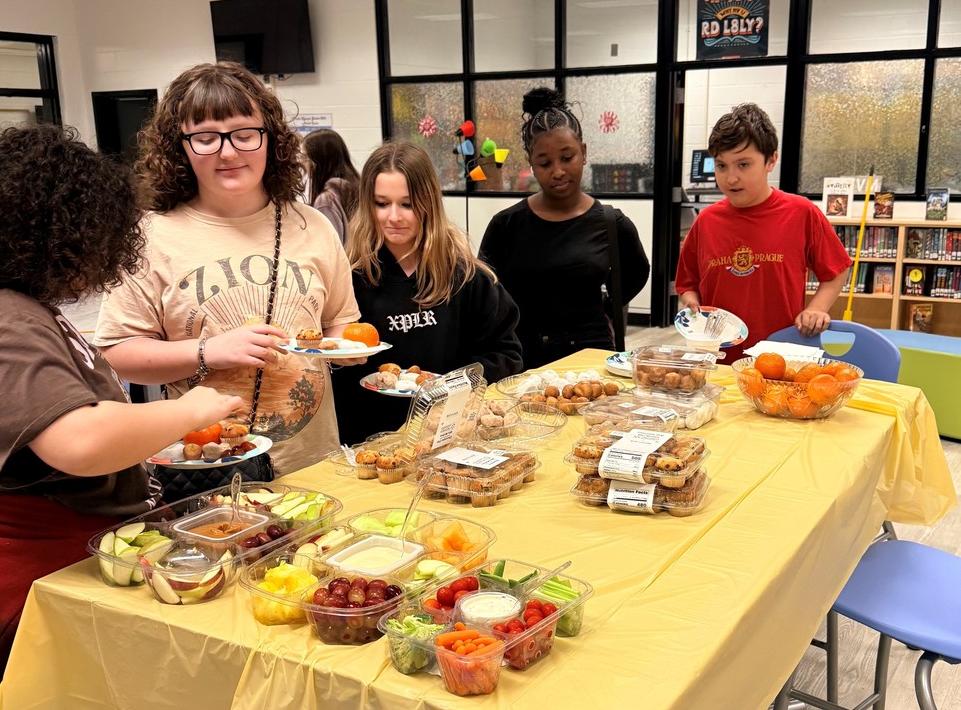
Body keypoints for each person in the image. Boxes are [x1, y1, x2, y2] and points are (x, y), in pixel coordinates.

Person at [0, 123, 242, 710]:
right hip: (25, 572)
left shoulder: (10, 303)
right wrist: (194, 408)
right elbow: (78, 440)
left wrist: (153, 442)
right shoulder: (7, 317)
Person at [95, 62, 362, 476]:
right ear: (179, 147)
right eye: (206, 138)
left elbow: (339, 324)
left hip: (314, 464)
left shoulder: (313, 226)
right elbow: (119, 354)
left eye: (244, 134)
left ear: (270, 139)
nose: (228, 151)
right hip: (209, 465)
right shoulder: (151, 236)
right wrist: (208, 352)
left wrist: (347, 350)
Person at [332, 142, 524, 444]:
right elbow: (330, 367)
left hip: (451, 437)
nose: (393, 216)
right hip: (370, 442)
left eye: (407, 204)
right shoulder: (350, 278)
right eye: (382, 204)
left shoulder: (466, 277)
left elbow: (507, 353)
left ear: (429, 203)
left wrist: (455, 382)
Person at [479, 87, 650, 368]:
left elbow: (637, 273)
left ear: (583, 152)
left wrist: (604, 311)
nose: (557, 171)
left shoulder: (612, 224)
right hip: (525, 359)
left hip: (592, 357)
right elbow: (485, 291)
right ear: (531, 165)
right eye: (545, 163)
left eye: (567, 157)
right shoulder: (506, 225)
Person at [676, 103, 852, 361]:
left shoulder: (801, 212)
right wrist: (691, 304)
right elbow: (687, 284)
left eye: (743, 165)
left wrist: (817, 309)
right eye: (722, 166)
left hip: (783, 355)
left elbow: (837, 270)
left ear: (771, 160)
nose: (731, 178)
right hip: (718, 358)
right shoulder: (706, 221)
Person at [303, 128, 360, 244]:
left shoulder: (326, 200)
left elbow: (331, 249)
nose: (302, 163)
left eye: (305, 158)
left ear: (317, 161)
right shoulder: (356, 187)